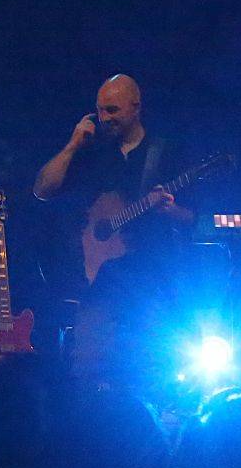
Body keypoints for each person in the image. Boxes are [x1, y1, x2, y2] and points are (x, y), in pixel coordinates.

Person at [31, 74, 192, 381]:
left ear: (136, 107)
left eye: (113, 110)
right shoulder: (92, 152)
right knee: (91, 368)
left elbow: (194, 218)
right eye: (100, 110)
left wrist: (171, 211)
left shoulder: (165, 153)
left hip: (151, 282)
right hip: (97, 283)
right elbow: (42, 190)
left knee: (151, 369)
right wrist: (72, 145)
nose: (105, 118)